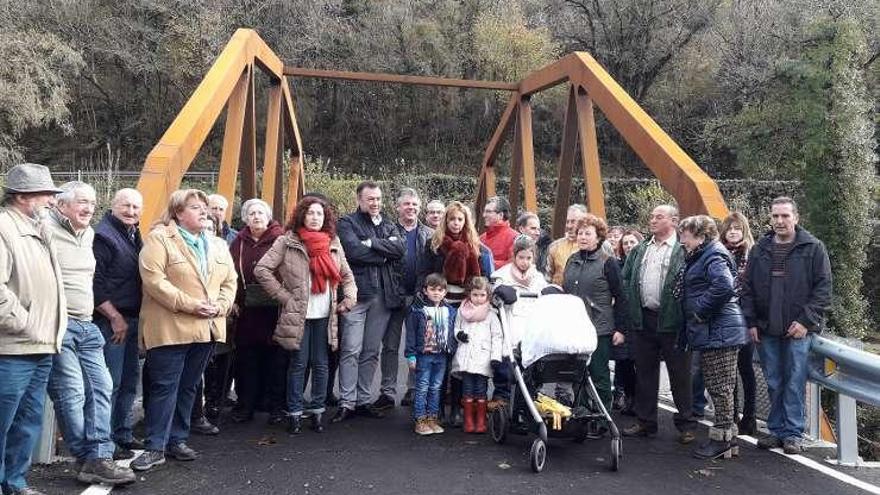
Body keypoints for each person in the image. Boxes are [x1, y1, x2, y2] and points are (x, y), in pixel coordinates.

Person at [131, 189, 237, 472]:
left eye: (205, 207)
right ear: (178, 213)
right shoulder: (159, 239)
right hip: (170, 326)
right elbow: (154, 281)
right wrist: (192, 305)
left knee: (189, 386)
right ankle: (155, 446)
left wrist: (222, 305)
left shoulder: (216, 244)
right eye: (195, 207)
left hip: (207, 327)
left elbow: (230, 280)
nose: (204, 212)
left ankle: (177, 439)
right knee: (165, 387)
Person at [46, 181, 136, 485]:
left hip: (87, 325)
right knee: (71, 393)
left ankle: (98, 456)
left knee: (102, 387)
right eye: (81, 202)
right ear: (61, 205)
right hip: (61, 324)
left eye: (92, 202)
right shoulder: (45, 230)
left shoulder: (87, 235)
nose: (88, 208)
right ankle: (86, 456)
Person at [255, 195, 357, 434]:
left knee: (321, 364)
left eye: (319, 214)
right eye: (310, 213)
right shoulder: (287, 241)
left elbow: (347, 276)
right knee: (298, 364)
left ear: (325, 218)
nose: (314, 218)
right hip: (298, 314)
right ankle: (294, 412)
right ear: (301, 215)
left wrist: (349, 298)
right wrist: (283, 296)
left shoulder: (333, 242)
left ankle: (317, 411)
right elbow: (262, 269)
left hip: (325, 313)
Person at [741, 197, 832, 454]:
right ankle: (776, 430)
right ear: (770, 219)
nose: (780, 221)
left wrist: (806, 321)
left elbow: (823, 290)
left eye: (785, 216)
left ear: (796, 217)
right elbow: (747, 288)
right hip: (767, 327)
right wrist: (752, 322)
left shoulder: (813, 247)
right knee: (773, 380)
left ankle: (793, 433)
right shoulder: (760, 248)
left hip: (798, 330)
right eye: (775, 217)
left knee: (794, 381)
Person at [0, 163, 66, 495]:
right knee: (3, 423)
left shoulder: (37, 227)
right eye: (46, 194)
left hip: (39, 346)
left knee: (27, 423)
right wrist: (25, 323)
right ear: (24, 196)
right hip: (12, 349)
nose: (52, 201)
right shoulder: (3, 228)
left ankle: (15, 483)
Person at [621, 205, 696, 444]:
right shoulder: (641, 248)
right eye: (651, 216)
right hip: (644, 318)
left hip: (673, 320)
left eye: (658, 217)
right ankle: (646, 421)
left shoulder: (683, 249)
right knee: (644, 372)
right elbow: (627, 278)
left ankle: (686, 424)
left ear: (674, 221)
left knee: (680, 373)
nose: (652, 220)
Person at [333, 181, 405, 423]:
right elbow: (352, 252)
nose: (375, 203)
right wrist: (383, 255)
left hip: (382, 297)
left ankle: (363, 400)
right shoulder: (347, 223)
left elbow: (400, 250)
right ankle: (347, 401)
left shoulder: (388, 224)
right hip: (357, 295)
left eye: (378, 199)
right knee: (351, 349)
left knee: (371, 351)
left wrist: (372, 243)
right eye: (370, 199)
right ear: (359, 200)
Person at [677, 215, 748, 459]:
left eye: (685, 234)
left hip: (719, 330)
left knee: (720, 387)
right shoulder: (706, 254)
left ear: (699, 235)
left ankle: (722, 442)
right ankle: (729, 441)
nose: (682, 239)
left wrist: (699, 312)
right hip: (718, 330)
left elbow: (724, 286)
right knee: (722, 386)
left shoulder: (712, 255)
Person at [422, 201, 493, 425]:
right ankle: (439, 405)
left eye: (460, 219)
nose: (455, 223)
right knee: (441, 354)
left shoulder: (474, 245)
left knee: (462, 358)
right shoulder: (434, 243)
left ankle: (457, 407)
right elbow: (426, 273)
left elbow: (480, 279)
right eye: (451, 219)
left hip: (465, 305)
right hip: (440, 304)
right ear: (446, 220)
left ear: (466, 221)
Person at [92, 188, 145, 458]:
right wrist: (115, 318)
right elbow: (95, 285)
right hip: (112, 322)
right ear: (113, 206)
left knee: (128, 381)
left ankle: (122, 433)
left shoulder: (134, 234)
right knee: (109, 384)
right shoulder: (103, 237)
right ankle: (106, 442)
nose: (131, 211)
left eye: (136, 207)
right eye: (126, 206)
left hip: (132, 319)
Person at [562, 215, 627, 415]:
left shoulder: (608, 263)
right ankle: (580, 414)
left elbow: (622, 297)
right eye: (580, 233)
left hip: (599, 327)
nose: (582, 237)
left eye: (587, 233)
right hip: (574, 327)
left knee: (598, 374)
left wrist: (620, 329)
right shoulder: (572, 260)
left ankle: (601, 417)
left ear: (598, 237)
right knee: (576, 373)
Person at [228, 199, 286, 424]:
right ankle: (246, 406)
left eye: (261, 212)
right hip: (247, 311)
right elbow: (229, 274)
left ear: (268, 216)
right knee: (246, 361)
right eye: (252, 213)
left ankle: (275, 408)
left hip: (275, 309)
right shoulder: (238, 243)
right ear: (245, 218)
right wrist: (232, 301)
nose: (256, 217)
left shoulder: (280, 239)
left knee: (276, 360)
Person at [376, 188, 433, 411]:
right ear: (398, 207)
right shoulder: (387, 231)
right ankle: (388, 392)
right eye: (406, 204)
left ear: (420, 207)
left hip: (419, 297)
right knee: (390, 346)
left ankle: (413, 389)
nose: (411, 208)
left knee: (418, 345)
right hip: (393, 295)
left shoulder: (429, 234)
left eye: (414, 204)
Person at [490, 235, 547, 406]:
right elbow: (494, 298)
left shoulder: (538, 278)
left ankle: (526, 401)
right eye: (521, 257)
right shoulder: (502, 276)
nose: (524, 262)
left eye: (528, 258)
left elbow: (544, 295)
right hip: (509, 323)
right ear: (514, 256)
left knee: (529, 367)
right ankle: (502, 398)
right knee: (506, 365)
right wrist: (499, 293)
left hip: (530, 325)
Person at [720, 212, 758, 435]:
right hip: (725, 317)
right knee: (728, 370)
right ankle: (731, 415)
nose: (733, 232)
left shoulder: (752, 254)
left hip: (744, 317)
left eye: (737, 228)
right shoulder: (718, 252)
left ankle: (749, 417)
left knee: (745, 368)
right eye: (730, 228)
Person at [405, 273, 457, 435]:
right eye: (432, 289)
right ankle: (420, 420)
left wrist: (453, 349)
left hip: (441, 355)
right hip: (424, 355)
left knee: (436, 388)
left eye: (440, 290)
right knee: (422, 387)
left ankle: (432, 419)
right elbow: (411, 334)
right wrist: (411, 355)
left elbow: (453, 332)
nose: (436, 293)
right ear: (425, 290)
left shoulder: (450, 311)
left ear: (445, 292)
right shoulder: (417, 310)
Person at [451, 277, 502, 434]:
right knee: (467, 389)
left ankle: (480, 421)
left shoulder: (491, 315)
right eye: (475, 295)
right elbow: (456, 327)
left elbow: (497, 337)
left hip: (483, 358)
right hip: (466, 357)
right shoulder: (462, 311)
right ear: (469, 294)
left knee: (480, 389)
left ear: (487, 295)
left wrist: (495, 357)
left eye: (482, 295)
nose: (478, 298)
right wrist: (459, 335)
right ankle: (468, 420)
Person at [611, 228, 643, 416]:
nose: (629, 246)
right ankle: (630, 398)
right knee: (623, 362)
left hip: (640, 320)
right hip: (622, 319)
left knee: (640, 363)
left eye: (632, 242)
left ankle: (641, 401)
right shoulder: (617, 265)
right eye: (625, 243)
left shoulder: (643, 263)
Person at [546, 204, 588, 285]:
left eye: (573, 221)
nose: (569, 226)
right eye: (567, 222)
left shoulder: (597, 246)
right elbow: (548, 278)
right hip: (559, 295)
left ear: (584, 222)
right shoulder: (555, 246)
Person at [480, 196, 518, 270]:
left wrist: (486, 263)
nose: (484, 215)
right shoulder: (481, 238)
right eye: (484, 211)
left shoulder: (515, 238)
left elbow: (514, 265)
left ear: (501, 215)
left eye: (488, 212)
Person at [516, 212, 552, 277]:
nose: (537, 233)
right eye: (533, 228)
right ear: (521, 229)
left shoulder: (547, 248)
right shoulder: (512, 247)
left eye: (538, 229)